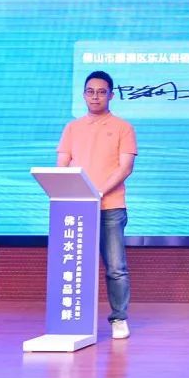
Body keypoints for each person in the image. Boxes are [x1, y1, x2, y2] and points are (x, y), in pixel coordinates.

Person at [56, 71, 138, 340]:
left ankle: (119, 318)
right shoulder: (72, 128)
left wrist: (98, 192)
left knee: (115, 267)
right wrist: (72, 191)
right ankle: (75, 320)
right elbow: (62, 164)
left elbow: (125, 167)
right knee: (75, 267)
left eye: (101, 92)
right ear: (83, 95)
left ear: (111, 95)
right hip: (76, 208)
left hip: (110, 207)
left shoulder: (123, 127)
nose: (95, 97)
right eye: (90, 92)